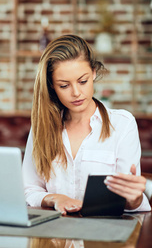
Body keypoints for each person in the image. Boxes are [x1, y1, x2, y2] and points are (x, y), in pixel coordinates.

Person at [22, 34, 151, 215]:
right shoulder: (41, 127)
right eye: (64, 85)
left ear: (94, 73)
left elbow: (130, 203)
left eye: (83, 81)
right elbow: (29, 190)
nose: (76, 93)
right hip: (53, 237)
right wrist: (55, 198)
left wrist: (135, 198)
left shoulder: (122, 125)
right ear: (52, 86)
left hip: (104, 235)